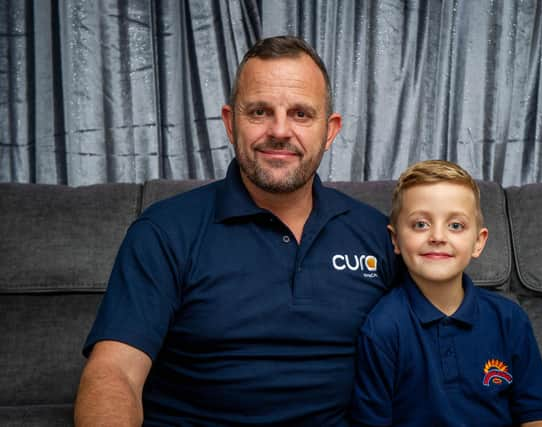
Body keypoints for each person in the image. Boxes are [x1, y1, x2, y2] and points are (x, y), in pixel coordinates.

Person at [74, 35, 399, 426]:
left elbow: (443, 335)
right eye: (259, 112)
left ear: (330, 131)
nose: (280, 131)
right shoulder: (164, 232)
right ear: (230, 123)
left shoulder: (377, 234)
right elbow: (114, 373)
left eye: (300, 114)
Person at [350, 160, 542, 427]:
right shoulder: (383, 327)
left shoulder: (510, 319)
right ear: (396, 240)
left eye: (455, 226)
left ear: (478, 242)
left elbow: (536, 417)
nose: (437, 236)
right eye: (420, 224)